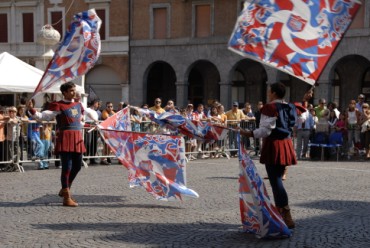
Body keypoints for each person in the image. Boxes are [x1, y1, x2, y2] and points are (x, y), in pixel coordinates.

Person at [240, 82, 303, 229]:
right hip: (286, 143)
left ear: (274, 93)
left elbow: (265, 131)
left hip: (274, 145)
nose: (268, 93)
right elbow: (301, 115)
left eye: (269, 91)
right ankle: (282, 213)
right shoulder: (290, 106)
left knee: (276, 182)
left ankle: (285, 214)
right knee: (278, 180)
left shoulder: (269, 108)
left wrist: (248, 133)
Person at [27, 82, 92, 207]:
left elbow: (80, 120)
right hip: (66, 137)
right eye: (71, 90)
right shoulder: (58, 105)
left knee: (77, 166)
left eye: (74, 90)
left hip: (77, 137)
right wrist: (31, 109)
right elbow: (43, 116)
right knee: (66, 167)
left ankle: (65, 188)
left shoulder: (79, 105)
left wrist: (92, 124)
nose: (74, 92)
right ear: (65, 92)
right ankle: (66, 197)